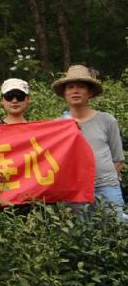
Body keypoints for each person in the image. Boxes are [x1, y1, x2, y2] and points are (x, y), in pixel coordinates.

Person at [53, 65, 125, 218]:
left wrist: (103, 178)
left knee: (115, 233)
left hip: (106, 187)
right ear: (65, 93)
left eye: (81, 87)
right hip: (74, 191)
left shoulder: (107, 120)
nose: (75, 91)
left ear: (90, 92)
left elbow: (118, 159)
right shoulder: (57, 125)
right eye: (71, 87)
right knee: (80, 236)